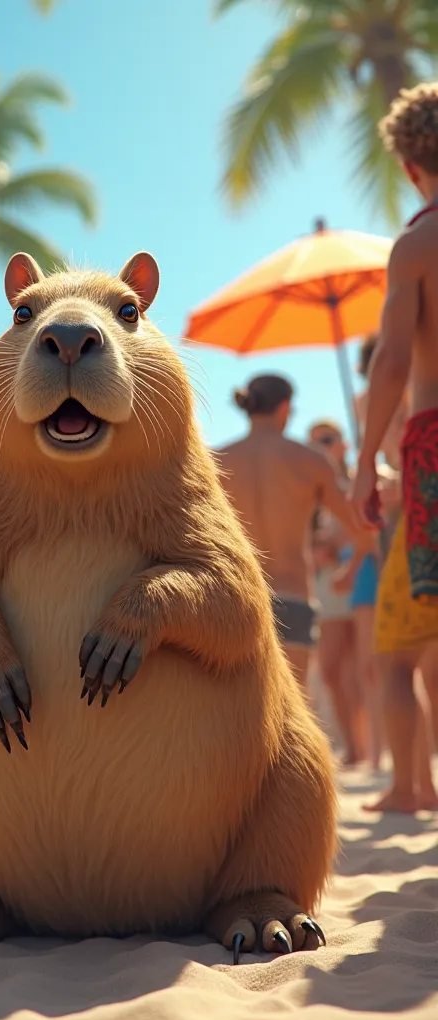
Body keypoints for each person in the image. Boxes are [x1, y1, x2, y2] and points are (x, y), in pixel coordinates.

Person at [351, 82, 438, 812]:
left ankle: (411, 787)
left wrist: (363, 461)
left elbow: (395, 362)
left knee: (408, 644)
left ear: (411, 166)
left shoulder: (417, 244)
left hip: (434, 447)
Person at [216, 375, 372, 689]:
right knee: (292, 712)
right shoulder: (310, 460)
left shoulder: (217, 461)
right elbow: (362, 530)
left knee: (241, 715)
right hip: (293, 596)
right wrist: (350, 570)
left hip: (237, 598)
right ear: (285, 407)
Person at [307, 421, 367, 766]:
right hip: (327, 586)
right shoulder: (311, 488)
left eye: (327, 440)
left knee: (360, 670)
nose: (321, 447)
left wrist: (340, 545)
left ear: (342, 444)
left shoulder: (354, 483)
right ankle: (355, 746)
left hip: (359, 578)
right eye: (315, 442)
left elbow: (367, 532)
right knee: (331, 669)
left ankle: (364, 748)